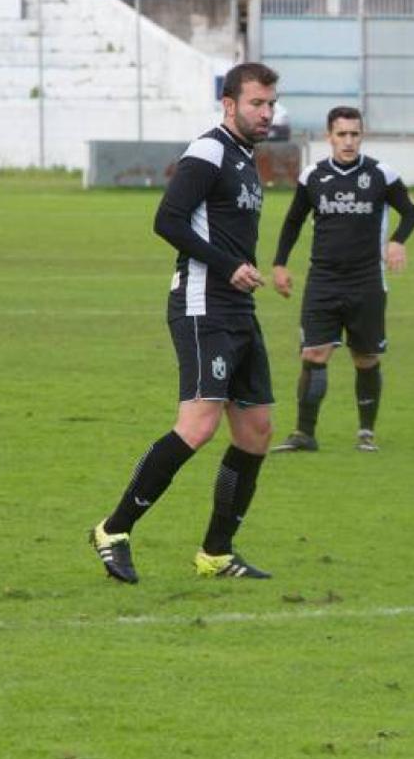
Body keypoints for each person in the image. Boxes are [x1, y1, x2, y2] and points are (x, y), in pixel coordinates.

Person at [88, 62, 281, 583]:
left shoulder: (245, 157)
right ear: (228, 104)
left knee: (257, 430)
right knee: (198, 425)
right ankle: (113, 529)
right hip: (203, 304)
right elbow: (167, 219)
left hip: (238, 308)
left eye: (270, 104)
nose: (266, 113)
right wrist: (228, 266)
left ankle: (216, 552)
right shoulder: (210, 150)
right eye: (256, 104)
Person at [270, 106, 414, 453]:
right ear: (329, 137)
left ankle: (366, 433)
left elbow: (411, 212)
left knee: (365, 358)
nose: (348, 141)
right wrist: (279, 264)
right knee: (314, 353)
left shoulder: (381, 174)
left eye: (354, 134)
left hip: (366, 282)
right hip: (322, 281)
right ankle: (304, 434)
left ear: (361, 136)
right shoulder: (313, 176)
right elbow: (293, 222)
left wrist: (397, 240)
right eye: (342, 134)